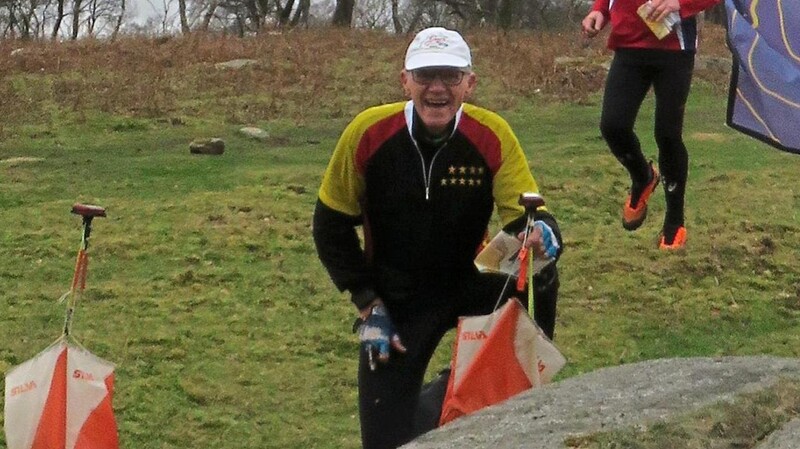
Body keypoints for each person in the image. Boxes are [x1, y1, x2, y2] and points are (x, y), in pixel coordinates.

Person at [312, 27, 563, 449]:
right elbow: (330, 225)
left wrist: (544, 234)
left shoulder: (492, 133)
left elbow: (525, 216)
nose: (437, 89)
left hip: (471, 282)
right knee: (386, 441)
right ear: (404, 81)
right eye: (425, 76)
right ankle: (447, 396)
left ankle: (493, 379)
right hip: (398, 301)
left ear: (470, 83)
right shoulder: (367, 133)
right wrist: (367, 301)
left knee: (540, 270)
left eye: (450, 76)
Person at [581, 0, 720, 249]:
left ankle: (674, 222)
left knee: (667, 134)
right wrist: (599, 10)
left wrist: (678, 2)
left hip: (675, 49)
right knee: (613, 126)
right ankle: (643, 177)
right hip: (628, 44)